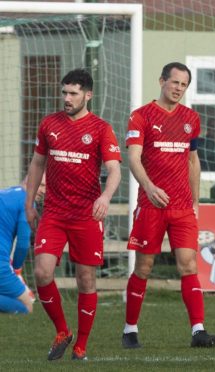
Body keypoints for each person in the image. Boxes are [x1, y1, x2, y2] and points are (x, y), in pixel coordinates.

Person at [24, 68, 122, 361]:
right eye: (64, 92)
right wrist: (29, 204)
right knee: (42, 272)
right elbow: (37, 164)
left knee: (86, 280)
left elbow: (115, 169)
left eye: (73, 93)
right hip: (53, 212)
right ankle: (62, 331)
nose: (67, 98)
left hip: (86, 216)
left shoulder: (101, 128)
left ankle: (81, 345)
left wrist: (105, 196)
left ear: (88, 95)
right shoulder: (49, 124)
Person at [122, 62, 215, 349]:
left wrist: (195, 200)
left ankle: (198, 331)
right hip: (151, 206)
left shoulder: (191, 118)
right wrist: (149, 188)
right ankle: (130, 329)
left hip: (181, 207)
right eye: (174, 82)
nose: (178, 88)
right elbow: (134, 158)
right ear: (162, 80)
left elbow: (193, 161)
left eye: (183, 85)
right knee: (144, 267)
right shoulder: (140, 116)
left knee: (188, 264)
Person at [0, 178, 45, 314]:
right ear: (29, 181)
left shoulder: (5, 193)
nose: (44, 191)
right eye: (41, 185)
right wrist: (17, 268)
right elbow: (23, 243)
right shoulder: (27, 202)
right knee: (26, 306)